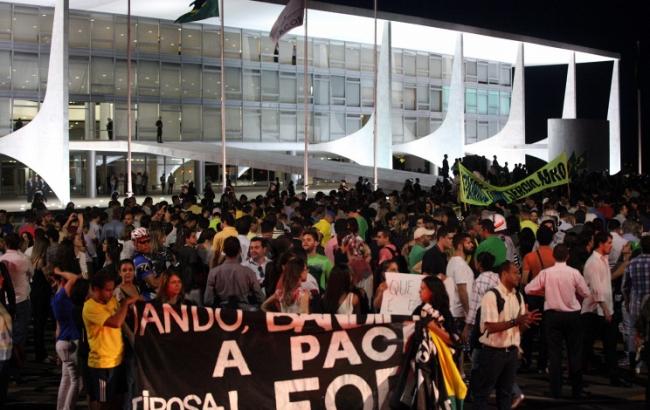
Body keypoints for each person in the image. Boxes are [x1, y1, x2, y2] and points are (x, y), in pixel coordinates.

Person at [471, 261, 541, 410]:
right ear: (504, 274)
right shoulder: (492, 296)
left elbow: (519, 329)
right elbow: (490, 327)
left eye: (519, 273)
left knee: (506, 394)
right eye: (515, 273)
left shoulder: (518, 296)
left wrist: (526, 322)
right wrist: (516, 321)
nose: (519, 276)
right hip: (492, 353)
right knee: (483, 394)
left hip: (511, 353)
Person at [525, 244, 591, 399]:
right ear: (567, 256)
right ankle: (576, 390)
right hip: (572, 315)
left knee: (554, 354)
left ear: (554, 256)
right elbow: (586, 293)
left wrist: (545, 291)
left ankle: (556, 390)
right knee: (574, 353)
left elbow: (528, 289)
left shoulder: (546, 273)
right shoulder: (574, 273)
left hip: (552, 316)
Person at [83, 270, 138, 410]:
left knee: (118, 400)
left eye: (112, 289)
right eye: (107, 290)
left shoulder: (111, 300)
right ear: (96, 289)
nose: (111, 293)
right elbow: (116, 322)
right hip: (102, 365)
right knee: (103, 403)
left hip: (117, 360)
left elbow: (122, 319)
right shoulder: (90, 307)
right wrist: (125, 303)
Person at [581, 231, 630, 386]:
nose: (611, 246)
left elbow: (608, 279)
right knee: (587, 346)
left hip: (605, 310)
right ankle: (577, 377)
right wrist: (606, 309)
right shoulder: (593, 262)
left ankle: (613, 376)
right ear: (600, 244)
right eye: (609, 243)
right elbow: (596, 289)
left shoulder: (603, 259)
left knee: (609, 345)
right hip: (595, 312)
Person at [0, 232, 31, 378]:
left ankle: (9, 366)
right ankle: (16, 368)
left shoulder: (2, 260)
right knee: (20, 334)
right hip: (21, 299)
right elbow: (31, 274)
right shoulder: (23, 258)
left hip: (4, 302)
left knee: (5, 337)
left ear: (5, 244)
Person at [204, 237, 264, 309]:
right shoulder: (248, 272)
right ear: (240, 250)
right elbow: (260, 297)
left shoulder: (214, 273)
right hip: (244, 312)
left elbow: (208, 300)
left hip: (222, 311)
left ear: (224, 251)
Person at [51, 269, 81, 410]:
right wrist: (60, 271)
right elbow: (73, 277)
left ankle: (60, 407)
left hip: (61, 343)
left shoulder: (55, 300)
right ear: (62, 282)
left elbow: (57, 327)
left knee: (65, 379)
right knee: (76, 381)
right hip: (70, 342)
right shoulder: (61, 297)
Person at [131, 227, 160, 301]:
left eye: (148, 241)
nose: (147, 244)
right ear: (135, 243)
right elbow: (153, 284)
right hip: (148, 299)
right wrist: (165, 275)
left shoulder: (142, 256)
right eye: (143, 242)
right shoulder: (141, 260)